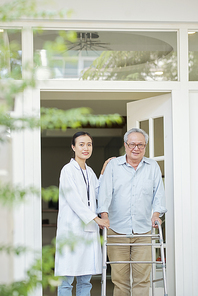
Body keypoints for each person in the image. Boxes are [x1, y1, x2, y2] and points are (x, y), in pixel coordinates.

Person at [98, 127, 167, 296]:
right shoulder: (113, 165)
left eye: (140, 145)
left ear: (145, 146)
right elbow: (104, 192)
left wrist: (156, 214)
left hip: (143, 230)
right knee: (120, 279)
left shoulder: (153, 167)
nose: (136, 148)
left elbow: (159, 194)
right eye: (132, 144)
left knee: (142, 278)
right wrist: (104, 216)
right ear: (125, 145)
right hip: (116, 229)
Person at [54, 131, 110, 296]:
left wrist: (104, 172)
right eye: (81, 144)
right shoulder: (67, 170)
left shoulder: (90, 172)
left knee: (86, 281)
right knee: (66, 281)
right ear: (73, 147)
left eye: (89, 144)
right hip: (72, 231)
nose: (86, 148)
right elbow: (73, 199)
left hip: (88, 232)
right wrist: (96, 219)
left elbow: (98, 193)